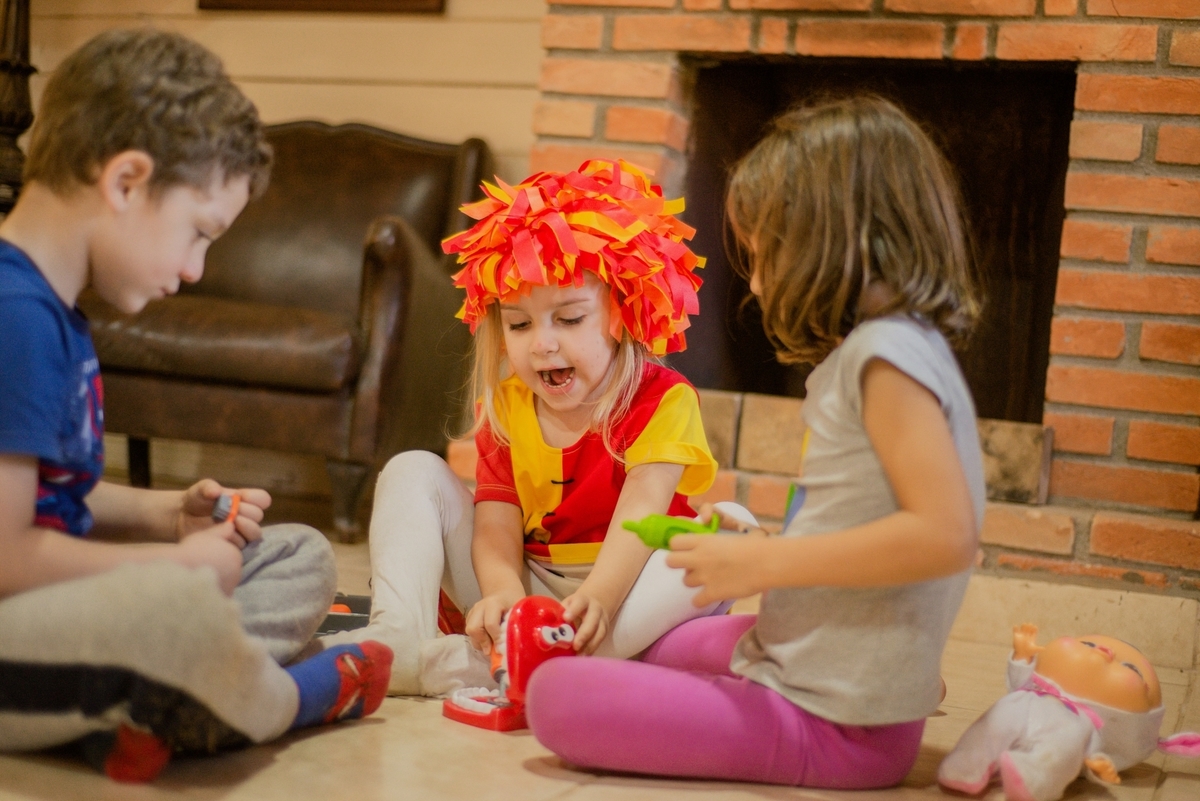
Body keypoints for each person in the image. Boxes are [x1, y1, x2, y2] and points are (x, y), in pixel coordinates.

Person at [523, 96, 987, 790]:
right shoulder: (891, 350)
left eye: (766, 247)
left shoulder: (886, 359)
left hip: (831, 722)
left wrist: (765, 565)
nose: (757, 274)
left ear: (832, 239)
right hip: (817, 664)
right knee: (663, 645)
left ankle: (847, 708)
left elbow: (946, 535)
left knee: (555, 698)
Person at [0, 29, 390, 783]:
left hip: (54, 624)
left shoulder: (52, 310)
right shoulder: (14, 316)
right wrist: (174, 566)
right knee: (173, 605)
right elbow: (8, 554)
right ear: (125, 182)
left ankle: (161, 701)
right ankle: (295, 693)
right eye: (198, 233)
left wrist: (164, 514)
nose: (194, 268)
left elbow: (51, 496)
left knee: (299, 554)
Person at [322, 159, 748, 697]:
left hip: (629, 584)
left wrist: (600, 597)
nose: (541, 343)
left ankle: (522, 659)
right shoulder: (506, 406)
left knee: (734, 523)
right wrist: (500, 594)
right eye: (519, 324)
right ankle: (399, 638)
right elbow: (496, 526)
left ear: (621, 317)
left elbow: (643, 510)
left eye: (569, 319)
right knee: (411, 469)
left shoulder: (662, 400)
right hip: (533, 585)